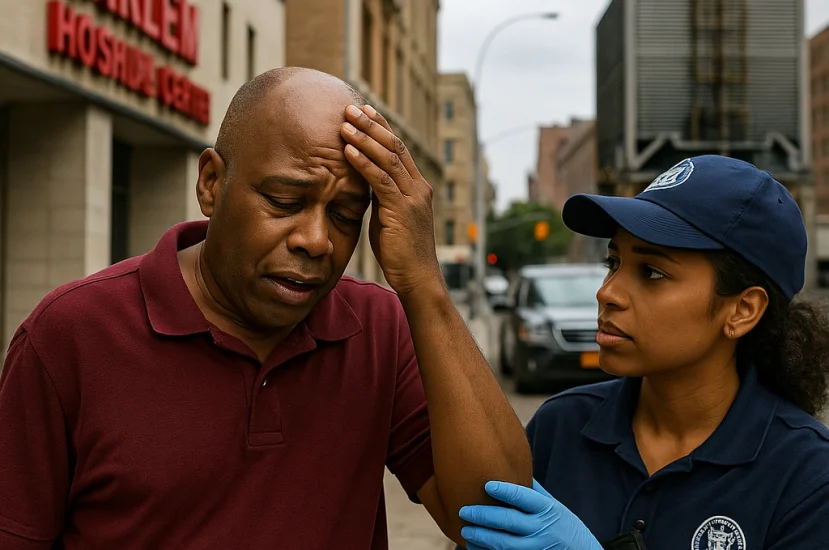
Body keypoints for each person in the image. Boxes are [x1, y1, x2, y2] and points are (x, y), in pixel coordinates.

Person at [0, 67, 532, 549]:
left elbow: (501, 518)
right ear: (211, 184)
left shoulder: (377, 329)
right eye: (284, 202)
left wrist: (424, 285)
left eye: (345, 215)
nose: (316, 240)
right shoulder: (71, 335)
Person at [456, 155, 829, 550]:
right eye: (613, 262)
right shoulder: (561, 428)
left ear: (742, 310)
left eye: (652, 272)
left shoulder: (808, 476)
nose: (607, 292)